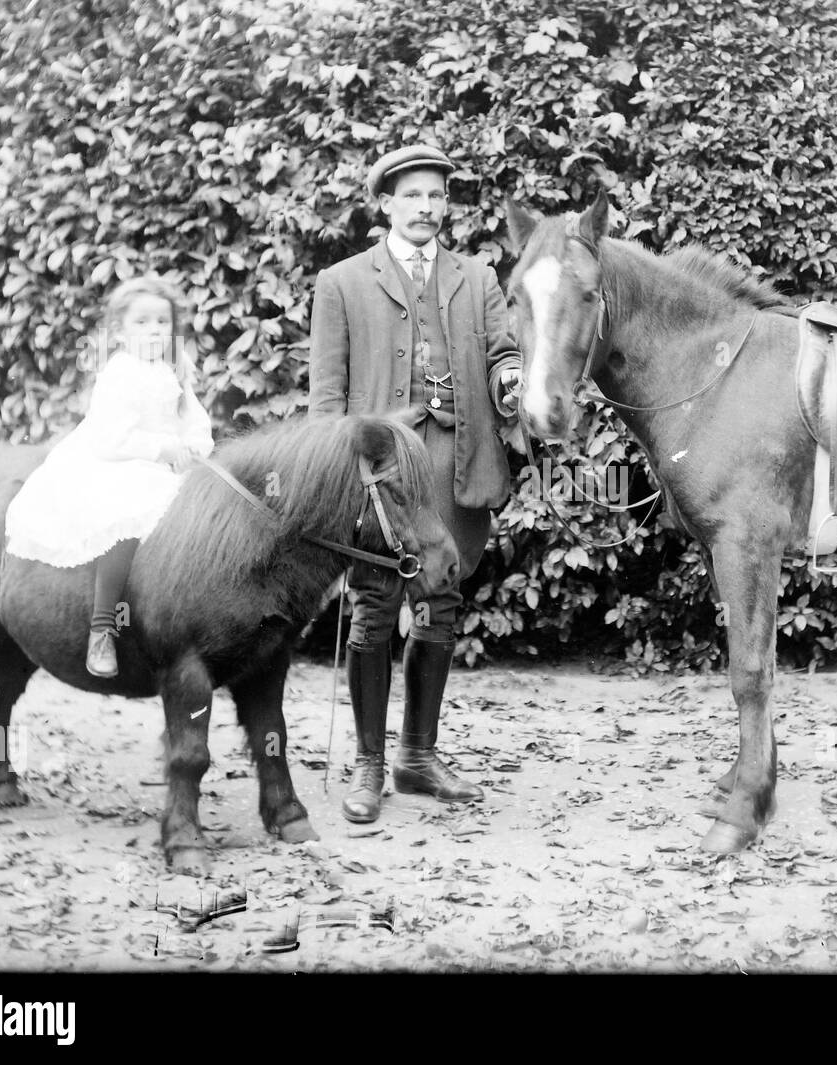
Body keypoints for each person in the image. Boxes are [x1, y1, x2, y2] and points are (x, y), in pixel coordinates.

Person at [309, 143, 521, 824]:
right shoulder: (341, 283)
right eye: (413, 196)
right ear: (386, 205)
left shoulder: (478, 278)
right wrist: (340, 474)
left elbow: (501, 352)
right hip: (381, 475)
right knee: (373, 610)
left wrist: (511, 379)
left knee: (440, 606)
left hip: (454, 467)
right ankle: (369, 767)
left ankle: (417, 756)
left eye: (436, 196)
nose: (426, 208)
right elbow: (326, 398)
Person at [5, 276, 215, 677]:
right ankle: (103, 628)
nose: (154, 331)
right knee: (127, 524)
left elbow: (193, 418)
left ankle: (187, 625)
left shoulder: (175, 368)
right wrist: (163, 449)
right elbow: (110, 440)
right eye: (142, 323)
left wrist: (192, 447)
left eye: (161, 323)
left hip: (168, 467)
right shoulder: (121, 373)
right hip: (118, 464)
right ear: (120, 330)